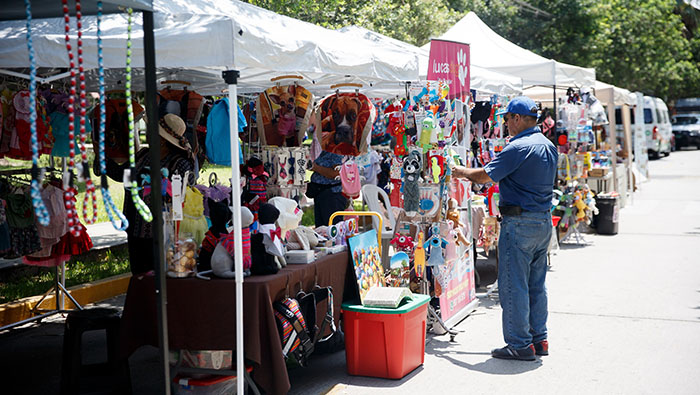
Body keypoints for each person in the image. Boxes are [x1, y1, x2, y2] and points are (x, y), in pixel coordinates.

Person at [452, 96, 558, 361]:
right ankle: (538, 339)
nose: (506, 123)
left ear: (518, 118)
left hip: (520, 222)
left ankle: (520, 344)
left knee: (514, 286)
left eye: (508, 118)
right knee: (536, 284)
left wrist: (458, 171)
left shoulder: (518, 147)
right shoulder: (547, 145)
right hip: (542, 221)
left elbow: (485, 176)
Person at [99, 113, 195, 275]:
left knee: (159, 276)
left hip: (162, 233)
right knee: (139, 274)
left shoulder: (179, 164)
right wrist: (101, 156)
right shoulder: (142, 155)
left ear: (163, 140)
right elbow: (121, 174)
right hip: (135, 227)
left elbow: (180, 197)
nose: (148, 134)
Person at [308, 150, 348, 227]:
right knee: (322, 228)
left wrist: (315, 167)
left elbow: (336, 173)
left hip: (332, 194)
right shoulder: (325, 149)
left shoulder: (337, 150)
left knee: (332, 228)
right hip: (321, 192)